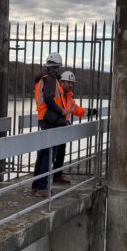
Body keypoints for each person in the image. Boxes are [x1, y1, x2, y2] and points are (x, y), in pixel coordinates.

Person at [31, 52, 67, 196]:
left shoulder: (43, 77)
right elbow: (49, 98)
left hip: (44, 118)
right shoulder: (50, 78)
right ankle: (42, 187)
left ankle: (36, 185)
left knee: (43, 153)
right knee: (49, 154)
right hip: (51, 119)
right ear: (56, 66)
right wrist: (61, 111)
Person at [54, 70, 97, 183]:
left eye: (72, 83)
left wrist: (90, 112)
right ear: (61, 82)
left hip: (62, 128)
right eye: (68, 82)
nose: (70, 85)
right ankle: (47, 177)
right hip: (54, 127)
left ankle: (57, 175)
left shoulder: (68, 97)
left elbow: (77, 110)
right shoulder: (57, 94)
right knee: (52, 153)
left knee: (61, 152)